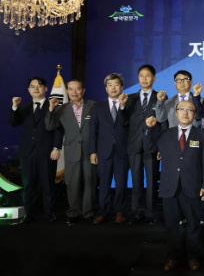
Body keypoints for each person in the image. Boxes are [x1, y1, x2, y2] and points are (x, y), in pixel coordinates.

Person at [143, 101, 204, 272]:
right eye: (182, 109)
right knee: (172, 225)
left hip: (192, 185)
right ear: (176, 112)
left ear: (194, 114)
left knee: (193, 224)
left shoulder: (201, 134)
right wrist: (149, 129)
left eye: (190, 110)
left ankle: (193, 256)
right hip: (169, 185)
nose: (185, 113)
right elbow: (149, 147)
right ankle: (172, 257)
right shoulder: (165, 133)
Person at [8, 77, 64, 223]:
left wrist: (56, 147)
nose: (36, 88)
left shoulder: (54, 106)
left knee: (48, 185)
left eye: (39, 86)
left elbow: (59, 129)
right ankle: (28, 214)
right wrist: (14, 107)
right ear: (29, 90)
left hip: (47, 151)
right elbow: (12, 123)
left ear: (45, 88)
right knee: (29, 186)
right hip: (27, 152)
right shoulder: (23, 108)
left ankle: (49, 213)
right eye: (32, 86)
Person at [45, 79, 97, 224]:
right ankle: (73, 212)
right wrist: (51, 109)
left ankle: (89, 212)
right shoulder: (61, 109)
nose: (74, 92)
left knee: (90, 182)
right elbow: (50, 127)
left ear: (83, 90)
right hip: (71, 150)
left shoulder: (94, 106)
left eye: (78, 89)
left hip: (90, 150)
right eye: (71, 89)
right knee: (73, 183)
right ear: (67, 91)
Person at [89, 73, 129, 224]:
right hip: (103, 151)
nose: (113, 88)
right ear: (106, 88)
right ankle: (103, 211)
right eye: (110, 85)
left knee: (121, 184)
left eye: (116, 85)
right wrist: (92, 151)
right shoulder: (97, 106)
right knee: (104, 183)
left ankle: (120, 211)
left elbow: (127, 124)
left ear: (122, 87)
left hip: (122, 150)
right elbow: (93, 130)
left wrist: (123, 106)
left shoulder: (128, 104)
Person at [125, 65, 161, 224]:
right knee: (136, 180)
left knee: (152, 181)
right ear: (138, 78)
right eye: (141, 75)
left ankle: (151, 212)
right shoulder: (129, 98)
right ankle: (137, 212)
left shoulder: (160, 97)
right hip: (134, 144)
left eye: (148, 75)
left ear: (154, 78)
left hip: (152, 145)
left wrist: (160, 147)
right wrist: (121, 107)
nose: (144, 79)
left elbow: (163, 123)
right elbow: (123, 122)